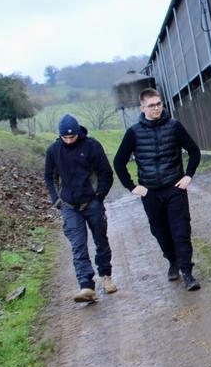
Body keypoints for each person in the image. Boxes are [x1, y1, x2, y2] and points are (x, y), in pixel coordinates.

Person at [113, 88, 202, 291]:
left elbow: (194, 151)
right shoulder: (133, 133)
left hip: (174, 188)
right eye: (151, 105)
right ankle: (172, 261)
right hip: (151, 193)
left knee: (181, 231)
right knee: (160, 232)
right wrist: (133, 187)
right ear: (142, 107)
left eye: (159, 104)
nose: (156, 108)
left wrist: (188, 175)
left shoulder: (174, 127)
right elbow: (118, 162)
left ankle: (187, 273)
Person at [44, 114, 115, 302]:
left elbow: (106, 173)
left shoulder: (92, 146)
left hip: (92, 202)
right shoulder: (53, 150)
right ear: (59, 136)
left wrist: (99, 196)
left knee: (100, 239)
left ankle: (106, 276)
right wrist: (56, 201)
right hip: (69, 205)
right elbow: (49, 178)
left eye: (72, 137)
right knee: (78, 246)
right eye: (64, 138)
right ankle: (86, 286)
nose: (68, 140)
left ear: (78, 133)